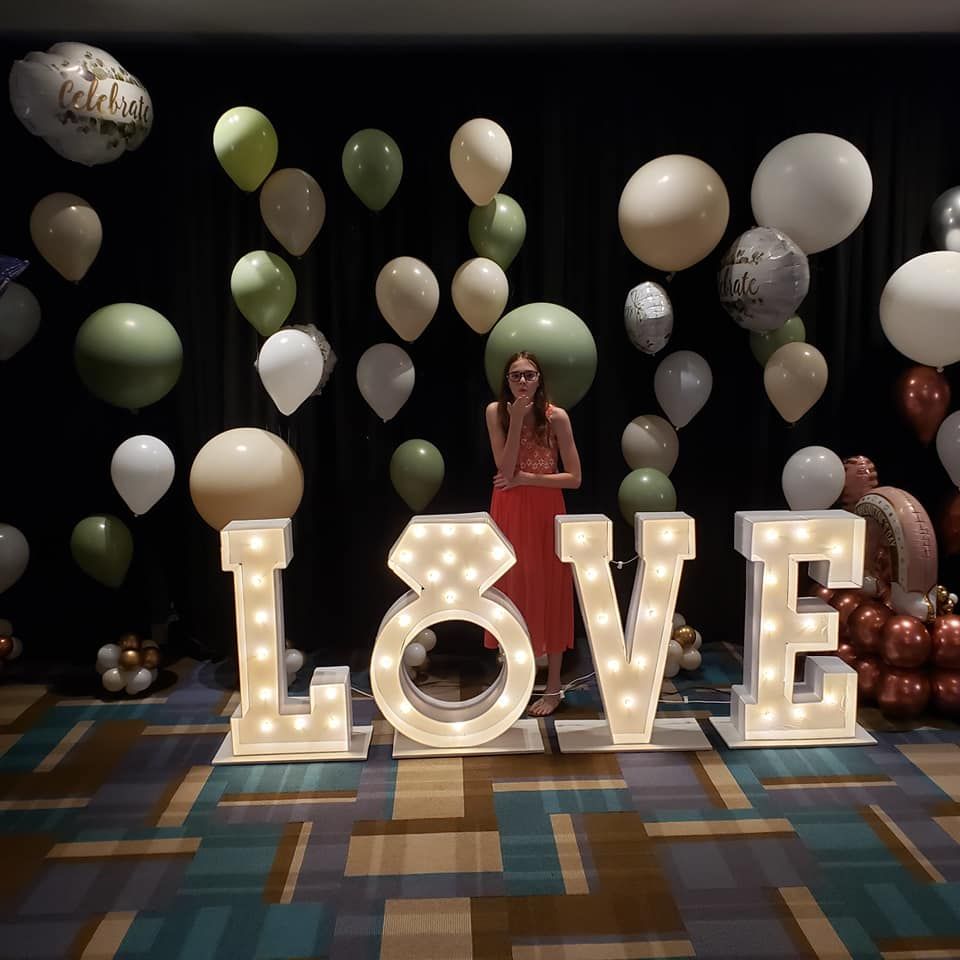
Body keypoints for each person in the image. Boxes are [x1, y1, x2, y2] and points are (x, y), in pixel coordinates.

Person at [483, 351, 581, 716]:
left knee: (551, 587)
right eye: (515, 375)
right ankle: (513, 680)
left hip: (545, 508)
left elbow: (574, 478)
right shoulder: (496, 412)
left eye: (529, 375)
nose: (522, 381)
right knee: (510, 587)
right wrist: (516, 421)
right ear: (506, 380)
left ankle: (553, 688)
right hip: (509, 508)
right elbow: (504, 467)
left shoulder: (557, 417)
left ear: (540, 379)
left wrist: (527, 478)